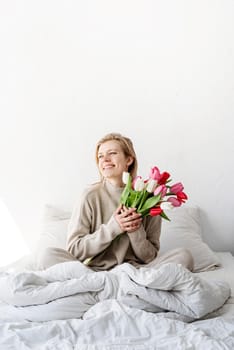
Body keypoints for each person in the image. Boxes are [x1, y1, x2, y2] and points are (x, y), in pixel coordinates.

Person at [37, 132, 194, 271]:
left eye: (112, 153)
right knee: (47, 256)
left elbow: (149, 257)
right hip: (95, 272)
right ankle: (119, 287)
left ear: (129, 160)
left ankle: (112, 287)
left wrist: (135, 230)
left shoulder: (149, 197)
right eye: (100, 156)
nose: (104, 159)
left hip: (137, 271)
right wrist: (114, 227)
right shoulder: (90, 195)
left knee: (184, 256)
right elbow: (74, 250)